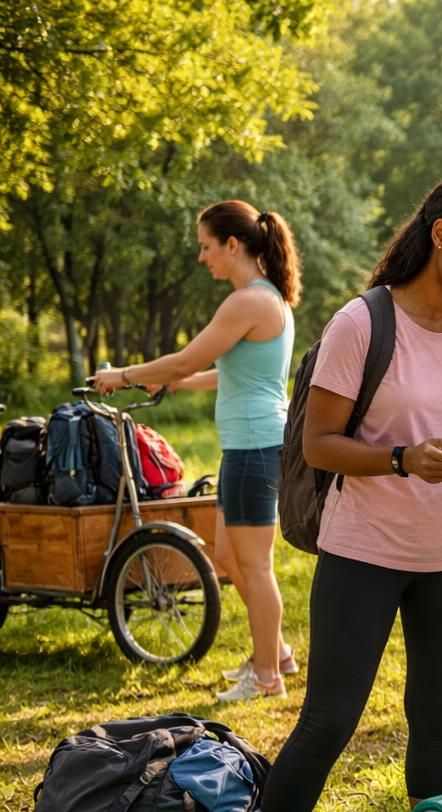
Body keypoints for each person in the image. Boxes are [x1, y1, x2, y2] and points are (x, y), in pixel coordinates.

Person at [244, 171, 442, 812]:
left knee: (437, 719)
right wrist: (403, 459)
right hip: (363, 550)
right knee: (330, 719)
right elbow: (319, 445)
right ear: (440, 234)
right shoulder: (364, 323)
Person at [94, 200, 301, 700]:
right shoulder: (261, 299)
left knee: (254, 565)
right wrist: (178, 384)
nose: (202, 257)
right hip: (244, 445)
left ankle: (268, 677)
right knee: (228, 556)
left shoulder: (249, 301)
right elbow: (227, 371)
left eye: (206, 247)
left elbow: (187, 356)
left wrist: (122, 376)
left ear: (233, 245)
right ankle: (276, 653)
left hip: (255, 446)